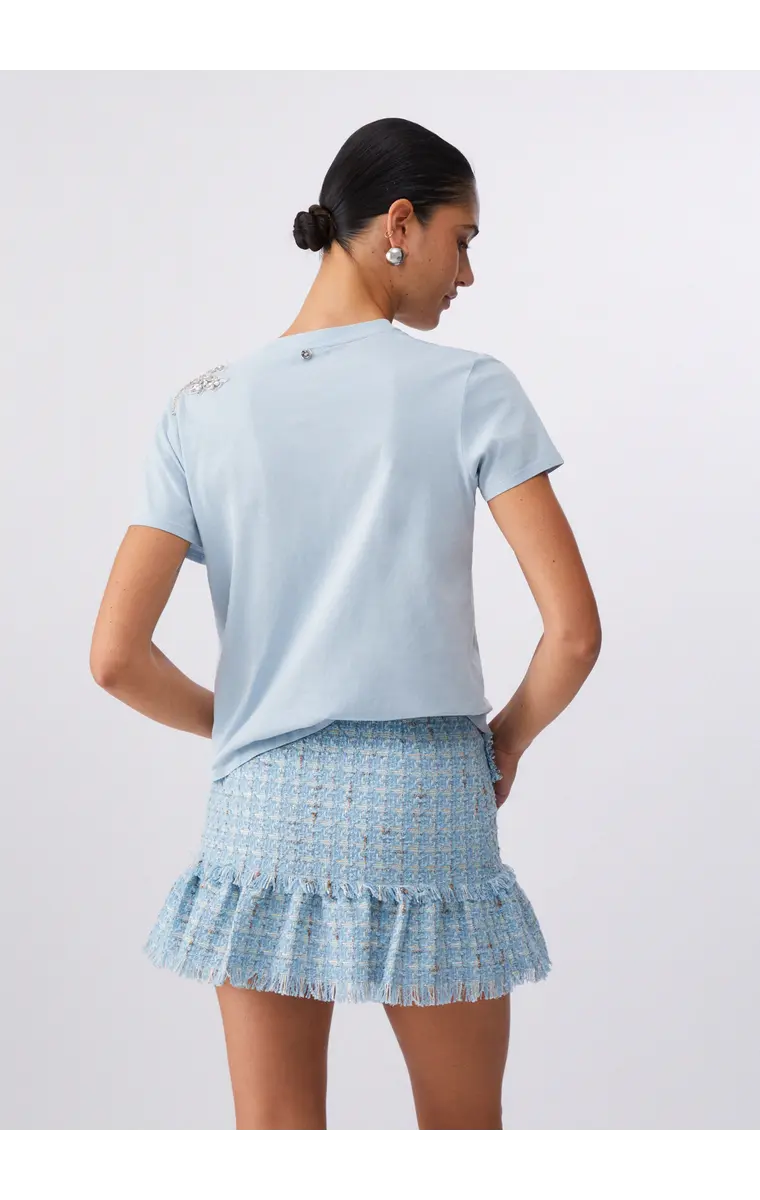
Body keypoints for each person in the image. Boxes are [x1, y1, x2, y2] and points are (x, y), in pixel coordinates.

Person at [90, 116, 602, 1136]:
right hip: (428, 799)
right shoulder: (470, 388)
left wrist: (244, 718)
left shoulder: (201, 409)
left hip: (263, 803)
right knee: (463, 1135)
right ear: (399, 224)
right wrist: (505, 740)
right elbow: (574, 634)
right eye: (462, 239)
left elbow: (114, 658)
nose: (467, 273)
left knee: (278, 1140)